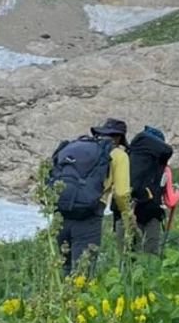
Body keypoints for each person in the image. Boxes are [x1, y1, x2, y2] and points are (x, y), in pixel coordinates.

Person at [50, 118, 128, 277]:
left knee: (64, 268)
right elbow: (121, 193)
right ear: (119, 137)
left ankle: (60, 301)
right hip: (89, 214)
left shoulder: (77, 147)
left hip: (62, 211)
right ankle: (79, 301)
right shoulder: (119, 155)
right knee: (82, 273)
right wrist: (127, 215)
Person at [128, 125, 173, 256]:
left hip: (133, 208)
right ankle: (150, 271)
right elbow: (170, 198)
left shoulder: (132, 158)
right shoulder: (162, 167)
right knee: (151, 251)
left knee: (132, 252)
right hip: (152, 211)